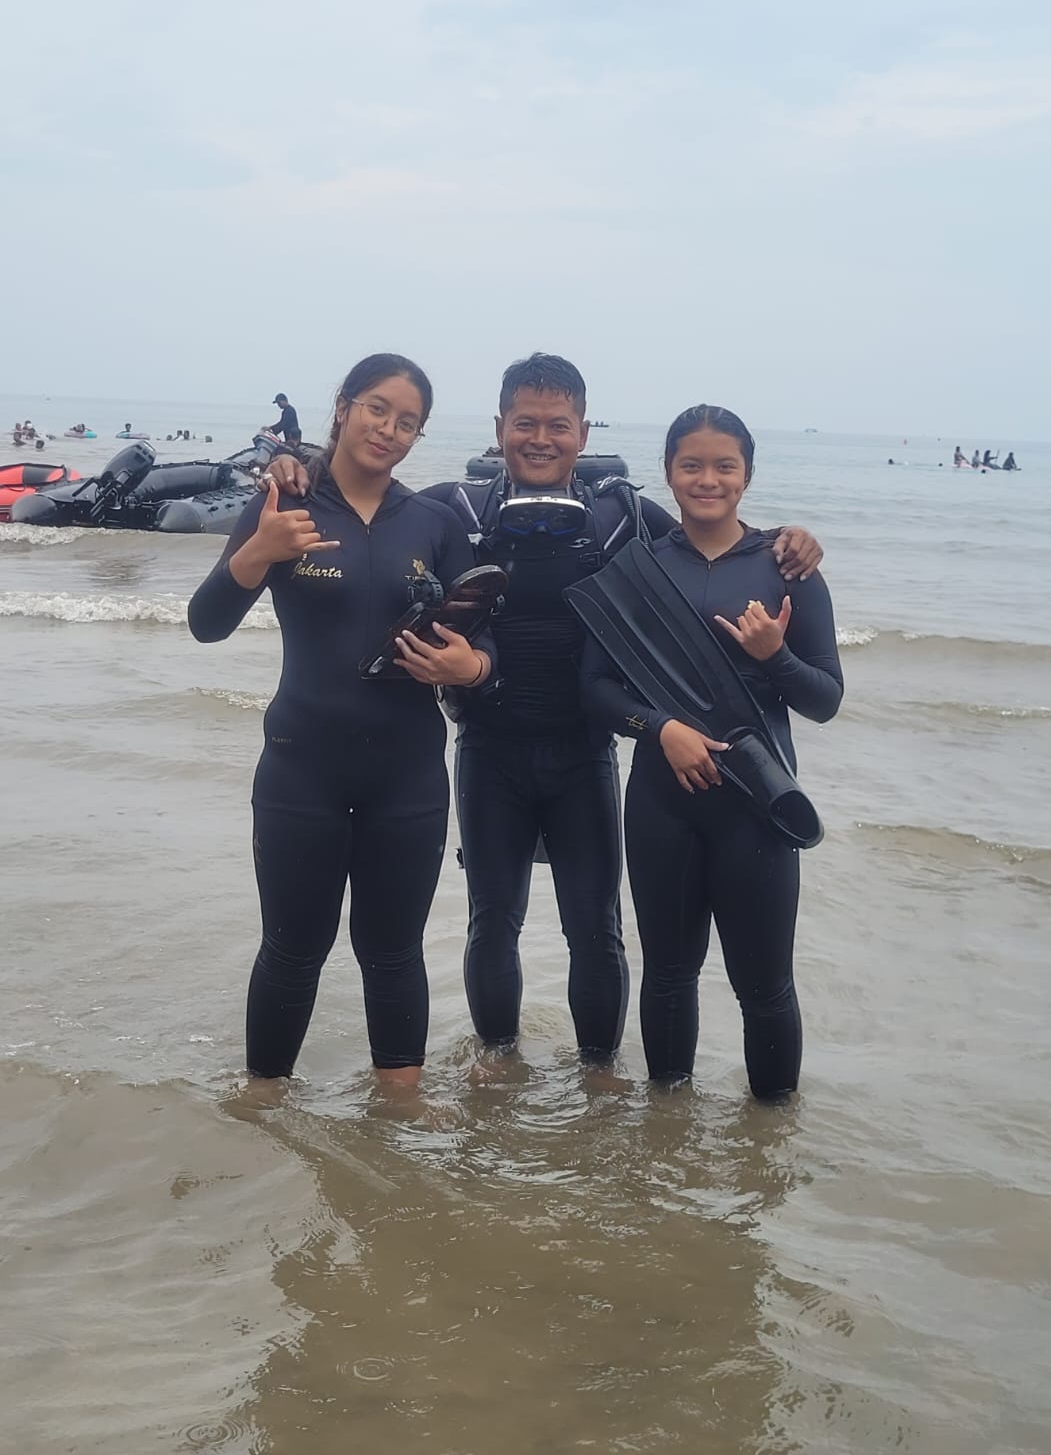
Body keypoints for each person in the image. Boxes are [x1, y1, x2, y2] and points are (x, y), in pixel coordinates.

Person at [264, 353, 824, 1074]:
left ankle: (599, 1075)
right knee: (492, 921)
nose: (540, 438)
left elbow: (707, 534)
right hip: (487, 747)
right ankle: (497, 1066)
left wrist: (790, 539)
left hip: (586, 752)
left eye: (558, 425)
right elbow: (371, 498)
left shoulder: (621, 516)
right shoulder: (458, 511)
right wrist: (297, 464)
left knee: (596, 928)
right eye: (524, 423)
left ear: (583, 434)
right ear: (499, 427)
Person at [188, 353, 495, 1085]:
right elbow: (206, 624)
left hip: (407, 775)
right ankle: (264, 1106)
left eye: (408, 423)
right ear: (344, 406)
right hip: (302, 768)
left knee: (394, 952)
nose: (389, 430)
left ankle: (400, 1112)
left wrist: (473, 668)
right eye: (377, 409)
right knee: (292, 950)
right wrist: (258, 552)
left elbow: (484, 638)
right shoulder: (284, 505)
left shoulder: (433, 523)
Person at [578, 405, 843, 1101]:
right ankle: (668, 1125)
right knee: (668, 975)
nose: (707, 479)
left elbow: (825, 699)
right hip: (662, 806)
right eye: (691, 465)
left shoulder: (788, 570)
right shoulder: (637, 569)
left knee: (766, 985)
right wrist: (660, 728)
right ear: (668, 473)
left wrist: (776, 656)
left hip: (757, 806)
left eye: (725, 466)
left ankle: (770, 1136)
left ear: (747, 475)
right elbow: (595, 688)